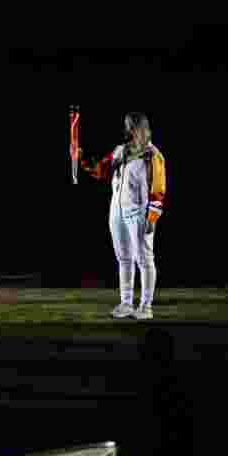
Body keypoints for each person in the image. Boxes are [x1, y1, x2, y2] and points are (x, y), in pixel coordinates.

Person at [80, 112, 167, 320]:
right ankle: (126, 303)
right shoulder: (120, 151)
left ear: (141, 128)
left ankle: (145, 307)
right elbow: (101, 170)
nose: (129, 130)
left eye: (133, 126)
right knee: (124, 258)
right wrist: (82, 159)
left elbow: (159, 188)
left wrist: (152, 216)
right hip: (117, 211)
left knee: (144, 259)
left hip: (139, 212)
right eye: (128, 126)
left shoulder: (153, 155)